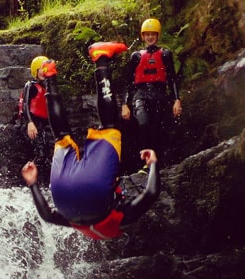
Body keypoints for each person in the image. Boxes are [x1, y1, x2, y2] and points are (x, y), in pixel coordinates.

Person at [21, 42, 160, 241]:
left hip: (94, 189)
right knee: (61, 136)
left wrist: (153, 163)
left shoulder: (119, 220)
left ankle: (101, 59)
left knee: (110, 125)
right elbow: (47, 215)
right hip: (62, 197)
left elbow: (151, 193)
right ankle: (50, 76)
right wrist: (33, 183)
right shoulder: (74, 222)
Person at [121, 18, 182, 172]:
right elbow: (128, 82)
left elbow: (173, 78)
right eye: (146, 34)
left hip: (159, 95)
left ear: (157, 35)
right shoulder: (136, 56)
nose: (149, 37)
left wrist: (177, 100)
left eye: (152, 34)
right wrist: (124, 104)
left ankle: (157, 164)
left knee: (157, 129)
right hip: (140, 95)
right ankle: (145, 162)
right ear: (143, 36)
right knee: (143, 124)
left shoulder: (165, 54)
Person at [18, 56, 56, 181]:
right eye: (41, 68)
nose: (43, 71)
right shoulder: (31, 85)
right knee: (40, 153)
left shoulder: (47, 87)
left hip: (42, 125)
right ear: (36, 71)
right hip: (31, 123)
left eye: (45, 68)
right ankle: (28, 178)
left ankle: (43, 181)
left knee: (45, 152)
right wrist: (30, 122)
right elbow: (25, 105)